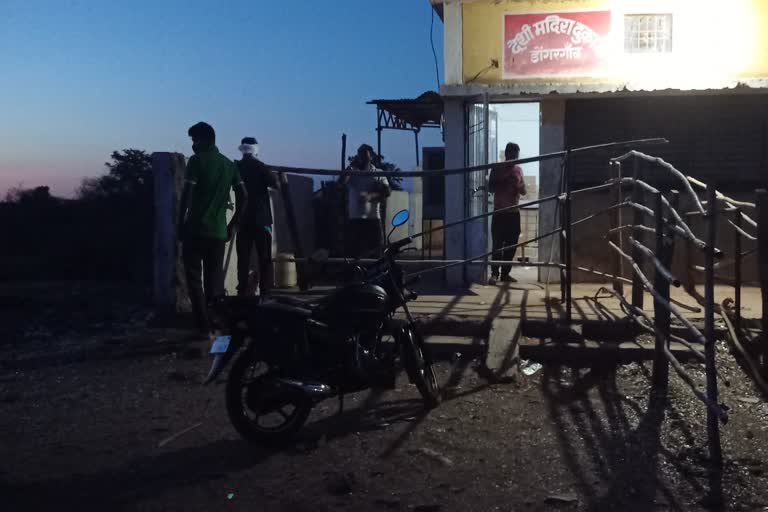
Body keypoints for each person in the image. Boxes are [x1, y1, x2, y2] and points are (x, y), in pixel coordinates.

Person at [178, 122, 247, 338]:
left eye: (194, 140)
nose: (193, 145)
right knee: (214, 282)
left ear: (204, 139)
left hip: (195, 230)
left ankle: (203, 328)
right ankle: (217, 325)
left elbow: (186, 196)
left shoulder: (197, 162)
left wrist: (180, 224)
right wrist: (233, 225)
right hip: (218, 234)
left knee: (194, 280)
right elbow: (244, 196)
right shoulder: (229, 165)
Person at [235, 136, 278, 296]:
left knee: (243, 259)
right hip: (261, 219)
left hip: (243, 219)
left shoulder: (237, 168)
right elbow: (275, 184)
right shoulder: (261, 167)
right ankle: (265, 292)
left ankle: (242, 291)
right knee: (264, 258)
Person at [339, 144, 390, 258]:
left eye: (364, 154)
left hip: (373, 220)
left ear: (371, 157)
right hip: (355, 220)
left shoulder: (378, 172)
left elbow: (387, 191)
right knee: (354, 254)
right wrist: (351, 167)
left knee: (376, 254)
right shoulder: (353, 172)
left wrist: (370, 196)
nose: (361, 157)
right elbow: (341, 183)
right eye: (359, 154)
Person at [488, 142, 526, 285]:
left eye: (516, 155)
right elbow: (490, 188)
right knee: (497, 244)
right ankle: (494, 274)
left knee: (511, 245)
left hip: (513, 213)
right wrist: (503, 181)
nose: (514, 158)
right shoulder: (497, 168)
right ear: (506, 154)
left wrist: (518, 186)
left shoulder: (519, 170)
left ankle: (505, 274)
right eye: (512, 155)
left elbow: (523, 191)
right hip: (499, 212)